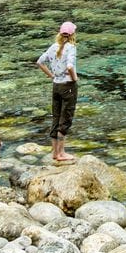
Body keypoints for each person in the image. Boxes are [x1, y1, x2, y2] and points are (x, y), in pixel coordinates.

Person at [36, 21, 78, 163]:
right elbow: (70, 65)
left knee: (56, 117)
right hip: (68, 86)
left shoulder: (54, 46)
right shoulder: (71, 47)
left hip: (56, 86)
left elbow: (39, 62)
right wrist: (74, 78)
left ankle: (55, 153)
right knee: (66, 118)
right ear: (72, 34)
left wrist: (51, 75)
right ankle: (61, 153)